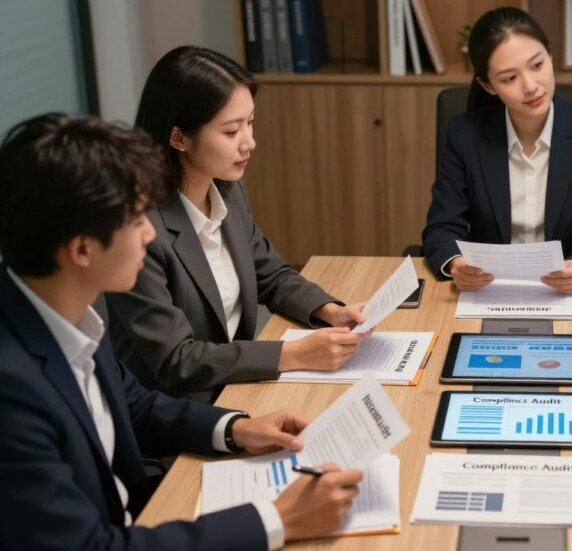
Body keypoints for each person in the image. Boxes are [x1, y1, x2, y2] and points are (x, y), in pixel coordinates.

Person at [0, 113, 363, 550]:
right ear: (82, 249)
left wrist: (235, 428)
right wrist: (277, 520)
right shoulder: (12, 389)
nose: (150, 231)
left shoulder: (60, 312)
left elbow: (136, 408)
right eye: (136, 219)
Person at [106, 46, 368, 403]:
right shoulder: (138, 230)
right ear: (178, 137)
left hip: (237, 388)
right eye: (231, 132)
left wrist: (330, 311)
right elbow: (175, 360)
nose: (250, 143)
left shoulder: (227, 189)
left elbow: (271, 273)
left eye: (251, 123)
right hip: (177, 417)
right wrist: (293, 355)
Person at [422, 7, 572, 295]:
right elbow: (442, 227)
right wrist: (456, 265)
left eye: (537, 65)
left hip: (564, 291)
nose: (531, 86)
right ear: (487, 85)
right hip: (489, 290)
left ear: (550, 55)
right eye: (509, 79)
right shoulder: (464, 134)